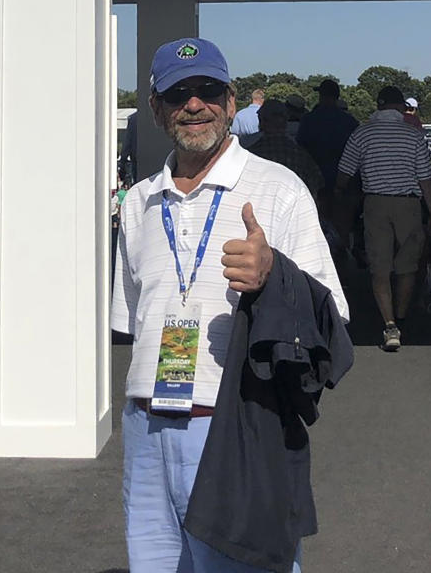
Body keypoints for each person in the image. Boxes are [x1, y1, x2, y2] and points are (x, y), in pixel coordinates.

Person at [112, 37, 348, 572]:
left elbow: (334, 316)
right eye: (177, 93)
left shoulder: (277, 188)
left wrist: (273, 277)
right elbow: (133, 319)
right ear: (156, 109)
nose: (194, 105)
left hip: (238, 421)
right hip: (147, 424)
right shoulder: (140, 203)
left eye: (207, 90)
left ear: (232, 100)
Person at [336, 85, 431, 352]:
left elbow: (345, 172)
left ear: (378, 106)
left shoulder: (363, 133)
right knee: (407, 266)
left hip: (375, 203)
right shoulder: (413, 135)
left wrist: (338, 193)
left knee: (379, 267)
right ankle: (402, 315)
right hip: (409, 204)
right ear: (401, 107)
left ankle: (389, 324)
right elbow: (426, 179)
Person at [296, 79, 360, 254]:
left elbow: (301, 151)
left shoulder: (309, 120)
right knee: (343, 232)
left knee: (315, 232)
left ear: (321, 95)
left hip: (316, 185)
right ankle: (344, 275)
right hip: (346, 186)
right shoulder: (350, 122)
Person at [248, 99, 324, 200]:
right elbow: (316, 185)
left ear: (262, 121)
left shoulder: (251, 153)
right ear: (285, 122)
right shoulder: (300, 155)